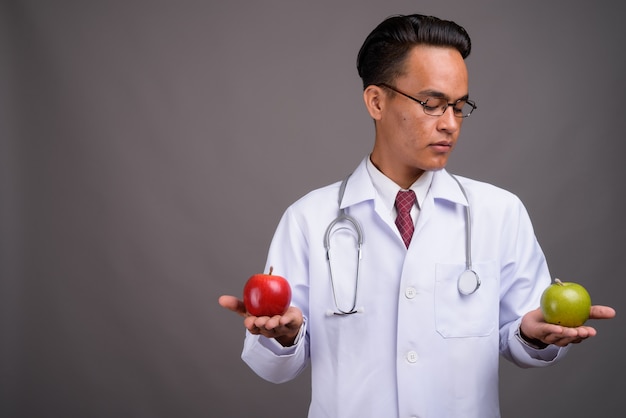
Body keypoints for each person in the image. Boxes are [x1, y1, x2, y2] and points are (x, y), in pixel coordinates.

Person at [218, 13, 616, 417]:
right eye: (432, 104)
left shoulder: (500, 213)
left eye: (459, 107)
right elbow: (274, 366)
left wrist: (534, 336)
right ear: (376, 101)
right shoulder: (309, 219)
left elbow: (522, 338)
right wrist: (284, 337)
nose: (450, 125)